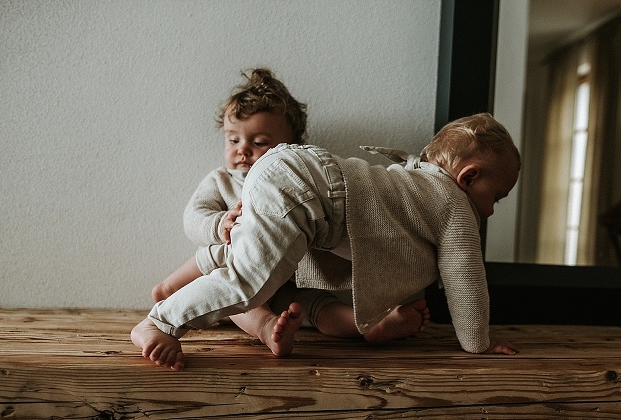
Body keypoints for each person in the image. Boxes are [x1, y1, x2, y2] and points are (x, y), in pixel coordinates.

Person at [132, 112, 519, 370]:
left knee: (257, 274)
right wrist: (477, 343)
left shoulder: (414, 183)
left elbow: (388, 245)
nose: (492, 211)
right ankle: (160, 321)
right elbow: (465, 278)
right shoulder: (456, 207)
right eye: (497, 197)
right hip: (306, 188)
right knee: (247, 281)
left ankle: (172, 305)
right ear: (468, 177)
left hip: (300, 174)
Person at [149, 68, 429, 361]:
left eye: (258, 142)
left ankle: (368, 325)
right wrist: (218, 224)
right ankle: (264, 326)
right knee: (239, 293)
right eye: (233, 140)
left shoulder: (293, 181)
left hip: (292, 275)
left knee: (316, 306)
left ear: (290, 147)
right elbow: (194, 216)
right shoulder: (221, 180)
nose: (243, 150)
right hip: (242, 271)